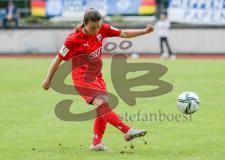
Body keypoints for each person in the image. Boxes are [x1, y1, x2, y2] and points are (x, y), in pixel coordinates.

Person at [42, 8, 154, 151]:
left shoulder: (103, 29)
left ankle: (96, 144)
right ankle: (127, 130)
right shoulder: (73, 39)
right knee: (101, 104)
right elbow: (58, 59)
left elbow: (123, 33)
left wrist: (144, 31)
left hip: (97, 76)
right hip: (82, 78)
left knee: (104, 107)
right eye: (92, 28)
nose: (96, 30)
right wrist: (47, 79)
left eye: (98, 26)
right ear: (84, 24)